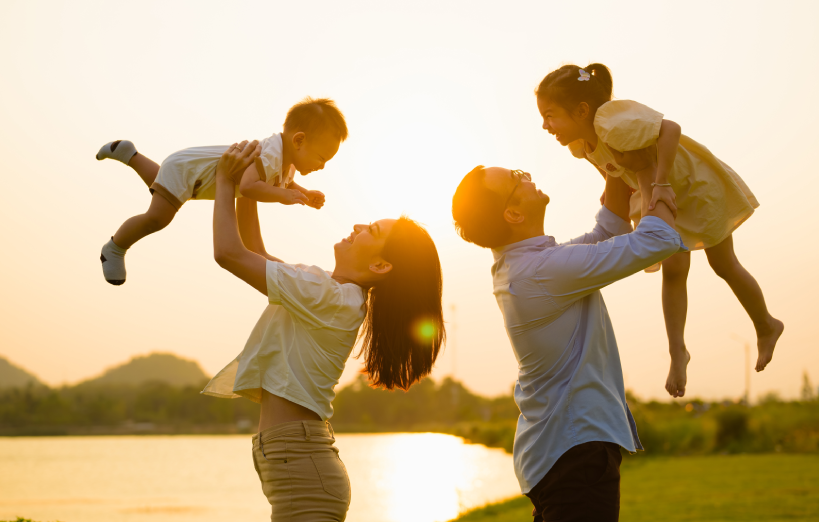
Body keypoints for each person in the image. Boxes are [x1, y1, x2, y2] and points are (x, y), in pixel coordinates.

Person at [202, 140, 446, 522]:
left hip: (303, 466)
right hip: (298, 461)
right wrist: (247, 186)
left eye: (372, 230)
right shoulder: (329, 293)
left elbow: (229, 254)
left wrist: (223, 181)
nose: (357, 226)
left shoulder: (330, 297)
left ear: (381, 266)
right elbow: (254, 251)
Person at [451, 147, 683, 521]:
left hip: (561, 452)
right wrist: (657, 180)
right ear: (513, 213)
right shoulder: (540, 271)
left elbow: (608, 232)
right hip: (576, 452)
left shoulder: (529, 265)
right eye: (516, 178)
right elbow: (659, 241)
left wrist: (610, 156)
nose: (525, 175)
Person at [535, 63, 783, 397]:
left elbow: (670, 129)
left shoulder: (612, 121)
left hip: (690, 184)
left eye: (550, 115)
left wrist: (663, 180)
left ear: (581, 110)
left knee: (723, 264)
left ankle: (766, 325)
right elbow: (611, 166)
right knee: (675, 269)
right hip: (652, 191)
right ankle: (677, 351)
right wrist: (613, 187)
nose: (545, 125)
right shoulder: (582, 144)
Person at [95, 97, 346, 285]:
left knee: (162, 185)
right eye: (321, 158)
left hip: (194, 175)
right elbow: (249, 186)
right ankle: (114, 248)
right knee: (158, 217)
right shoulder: (270, 154)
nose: (321, 166)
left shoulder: (285, 161)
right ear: (299, 141)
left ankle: (129, 154)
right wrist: (285, 197)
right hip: (189, 170)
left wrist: (303, 193)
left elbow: (283, 183)